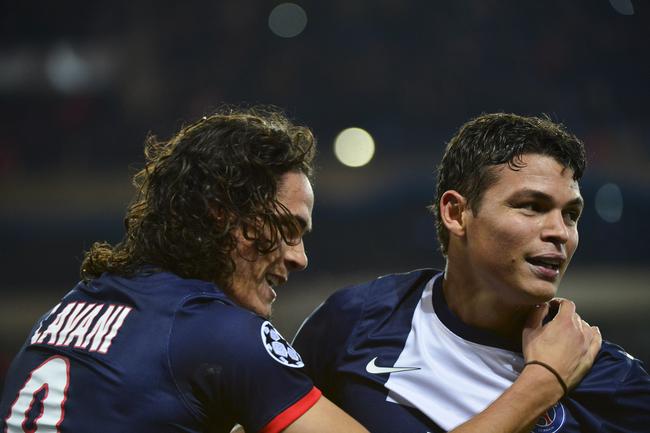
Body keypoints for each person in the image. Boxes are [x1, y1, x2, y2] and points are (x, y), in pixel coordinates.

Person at [0, 108, 599, 433]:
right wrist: (542, 381)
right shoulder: (220, 336)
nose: (299, 256)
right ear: (224, 216)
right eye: (287, 229)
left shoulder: (76, 305)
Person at [294, 113, 650, 433]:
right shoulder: (354, 321)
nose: (560, 232)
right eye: (532, 206)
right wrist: (542, 383)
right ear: (456, 213)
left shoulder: (612, 381)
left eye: (571, 214)